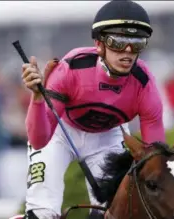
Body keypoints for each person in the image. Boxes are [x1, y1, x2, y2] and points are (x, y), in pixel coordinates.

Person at [11, 0, 166, 218]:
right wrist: (38, 97)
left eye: (137, 43)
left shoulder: (145, 84)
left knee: (112, 213)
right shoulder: (69, 69)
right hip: (59, 131)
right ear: (99, 44)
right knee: (43, 213)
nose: (128, 52)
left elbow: (155, 156)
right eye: (118, 42)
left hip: (108, 136)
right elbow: (39, 140)